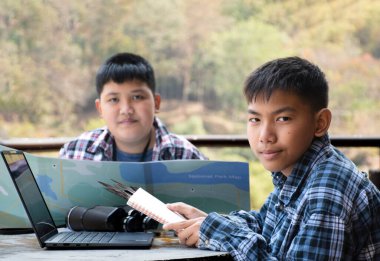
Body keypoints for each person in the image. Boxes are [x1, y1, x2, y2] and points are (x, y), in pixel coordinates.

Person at [163, 57, 380, 260]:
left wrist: (220, 232)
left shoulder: (328, 188)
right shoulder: (295, 172)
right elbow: (263, 224)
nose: (265, 136)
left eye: (283, 118)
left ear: (320, 122)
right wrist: (209, 222)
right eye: (255, 119)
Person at [60, 52, 207, 161]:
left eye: (137, 97)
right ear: (100, 109)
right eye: (113, 99)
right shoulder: (75, 153)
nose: (126, 110)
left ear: (156, 103)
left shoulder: (186, 156)